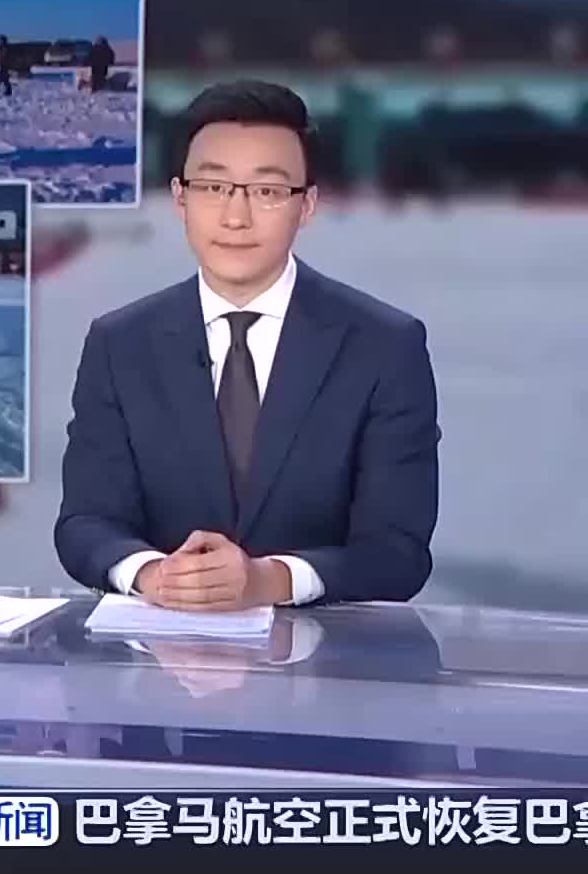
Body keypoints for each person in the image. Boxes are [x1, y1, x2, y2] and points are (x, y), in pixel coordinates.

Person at [54, 80, 438, 609]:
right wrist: (152, 574)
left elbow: (398, 553)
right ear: (180, 198)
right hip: (154, 651)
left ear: (307, 205)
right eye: (213, 187)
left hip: (326, 657)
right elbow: (85, 524)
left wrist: (268, 580)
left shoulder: (384, 346)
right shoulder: (119, 344)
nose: (235, 217)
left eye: (267, 191)